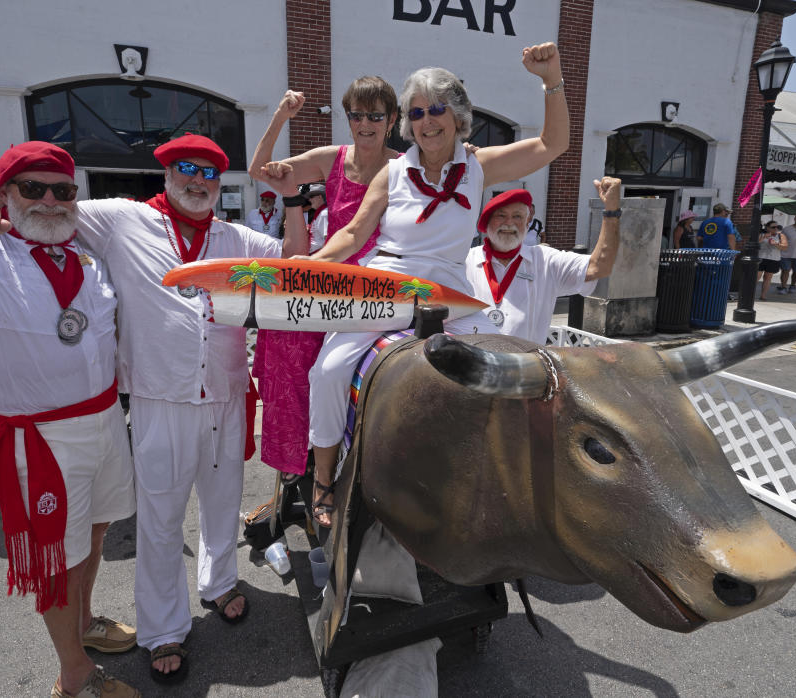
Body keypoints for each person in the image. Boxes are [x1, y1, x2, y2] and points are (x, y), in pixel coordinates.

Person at [0, 100, 308, 683]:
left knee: (223, 501)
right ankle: (163, 628)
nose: (198, 181)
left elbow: (297, 263)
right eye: (187, 170)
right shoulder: (121, 219)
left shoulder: (236, 238)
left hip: (226, 393)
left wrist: (299, 197)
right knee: (160, 518)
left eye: (209, 173)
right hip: (157, 398)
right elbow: (25, 201)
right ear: (167, 175)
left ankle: (220, 581)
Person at [305, 41, 570, 527]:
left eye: (438, 109)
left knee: (497, 372)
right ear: (408, 122)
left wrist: (550, 79)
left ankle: (489, 478)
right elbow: (353, 232)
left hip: (449, 293)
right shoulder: (392, 172)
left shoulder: (478, 166)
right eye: (418, 111)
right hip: (387, 283)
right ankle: (324, 479)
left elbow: (552, 145)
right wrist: (308, 265)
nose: (428, 120)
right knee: (327, 371)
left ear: (458, 115)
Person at [0, 143, 138, 698]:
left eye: (62, 190)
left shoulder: (85, 257)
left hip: (105, 420)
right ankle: (75, 675)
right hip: (37, 437)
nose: (50, 201)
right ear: (5, 195)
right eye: (32, 188)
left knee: (94, 532)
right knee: (57, 559)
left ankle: (83, 624)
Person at [246, 80, 401, 485]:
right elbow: (258, 170)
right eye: (357, 115)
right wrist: (281, 116)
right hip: (327, 277)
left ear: (392, 120)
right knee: (289, 340)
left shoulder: (405, 165)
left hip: (378, 284)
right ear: (348, 119)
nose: (365, 123)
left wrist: (464, 153)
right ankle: (301, 469)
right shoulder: (334, 158)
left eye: (375, 115)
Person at [465, 182, 621, 344]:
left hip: (527, 367)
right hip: (473, 366)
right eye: (501, 215)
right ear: (487, 222)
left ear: (527, 224)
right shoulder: (464, 262)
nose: (509, 223)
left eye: (517, 216)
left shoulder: (546, 261)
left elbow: (599, 267)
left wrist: (611, 212)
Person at [757, 220, 788, 300]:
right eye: (773, 227)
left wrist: (776, 244)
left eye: (777, 227)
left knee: (768, 277)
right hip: (761, 258)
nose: (776, 229)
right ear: (767, 228)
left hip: (773, 259)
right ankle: (749, 294)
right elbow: (755, 244)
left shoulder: (781, 236)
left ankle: (763, 295)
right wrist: (764, 237)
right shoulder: (761, 234)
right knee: (756, 277)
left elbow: (785, 247)